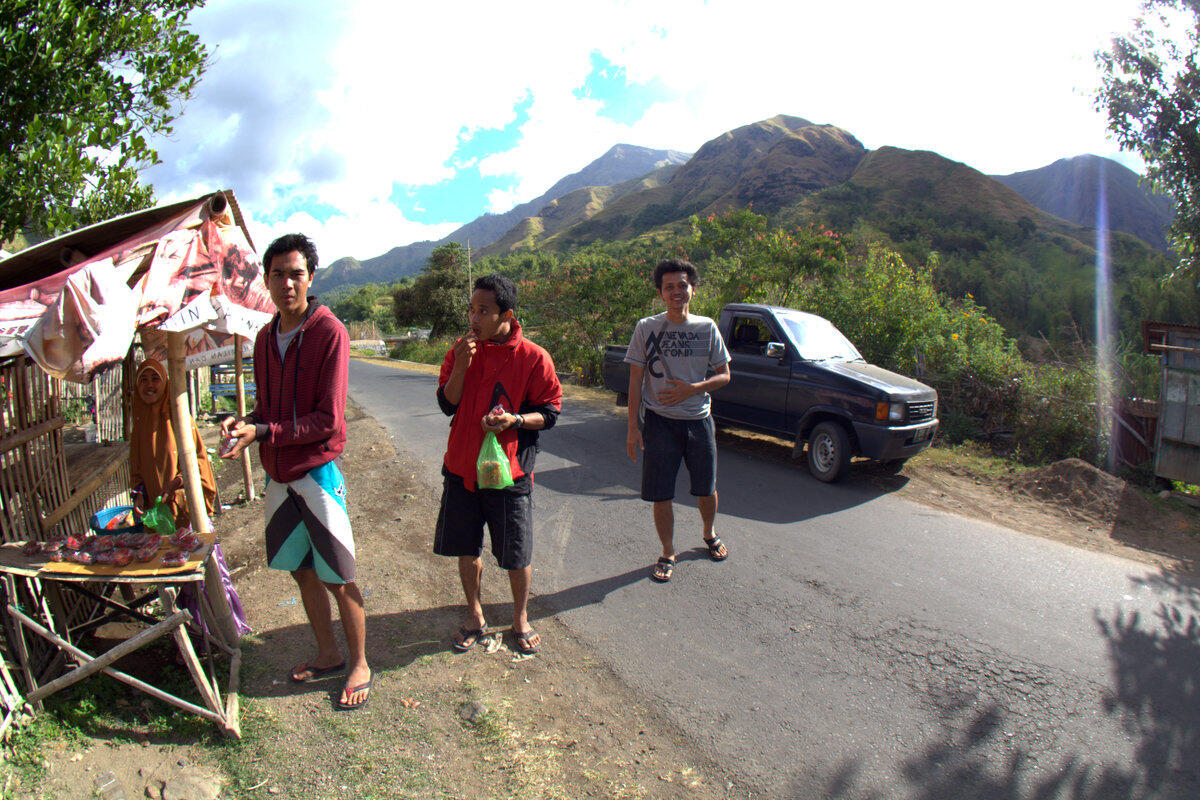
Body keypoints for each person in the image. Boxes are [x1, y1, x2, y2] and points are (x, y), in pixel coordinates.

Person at [221, 233, 371, 710]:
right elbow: (268, 408)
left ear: (310, 278)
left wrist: (263, 434)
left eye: (296, 274)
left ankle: (360, 663)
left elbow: (327, 420)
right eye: (278, 274)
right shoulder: (265, 339)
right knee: (301, 572)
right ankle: (328, 653)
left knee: (338, 574)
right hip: (278, 476)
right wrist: (245, 422)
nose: (287, 283)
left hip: (317, 473)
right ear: (266, 279)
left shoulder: (330, 332)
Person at [434, 273, 562, 655]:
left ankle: (520, 618)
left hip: (510, 473)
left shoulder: (534, 358)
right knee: (466, 548)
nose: (474, 318)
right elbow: (447, 405)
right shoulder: (460, 350)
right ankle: (475, 615)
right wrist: (460, 365)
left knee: (516, 552)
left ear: (506, 314)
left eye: (483, 311)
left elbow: (551, 413)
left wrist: (515, 421)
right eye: (471, 309)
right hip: (461, 468)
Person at [625, 258, 731, 582]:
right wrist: (633, 427)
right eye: (669, 287)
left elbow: (725, 375)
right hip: (659, 423)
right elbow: (635, 380)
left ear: (693, 290)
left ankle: (709, 533)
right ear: (661, 293)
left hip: (699, 421)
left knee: (706, 488)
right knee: (661, 493)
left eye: (682, 285)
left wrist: (693, 389)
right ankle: (668, 551)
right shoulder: (646, 328)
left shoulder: (706, 328)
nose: (676, 291)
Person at [129, 358, 250, 642]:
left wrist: (179, 486)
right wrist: (138, 494)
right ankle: (191, 634)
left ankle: (222, 631)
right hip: (159, 518)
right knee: (174, 576)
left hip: (186, 510)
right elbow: (137, 468)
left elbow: (198, 463)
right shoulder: (139, 422)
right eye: (143, 380)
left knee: (204, 574)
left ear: (165, 383)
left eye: (154, 379)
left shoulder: (179, 418)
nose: (149, 385)